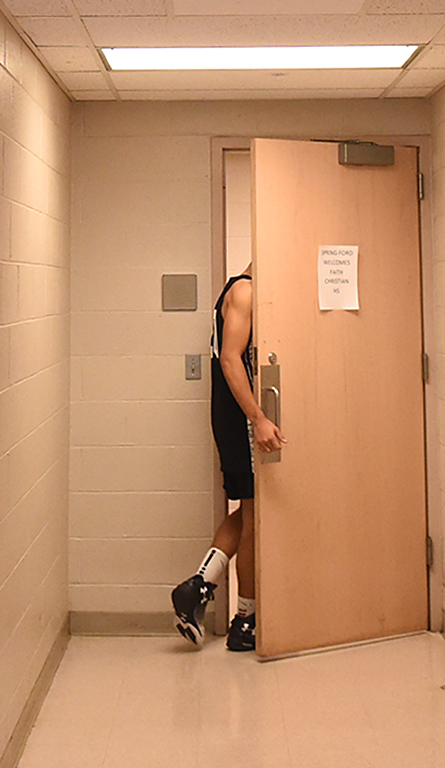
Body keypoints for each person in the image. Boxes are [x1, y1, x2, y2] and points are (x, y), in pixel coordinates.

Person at [172, 267, 285, 650]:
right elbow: (231, 361)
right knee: (254, 518)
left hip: (240, 416)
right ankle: (244, 622)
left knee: (253, 509)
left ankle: (198, 587)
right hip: (240, 419)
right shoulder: (244, 291)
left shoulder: (249, 291)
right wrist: (259, 420)